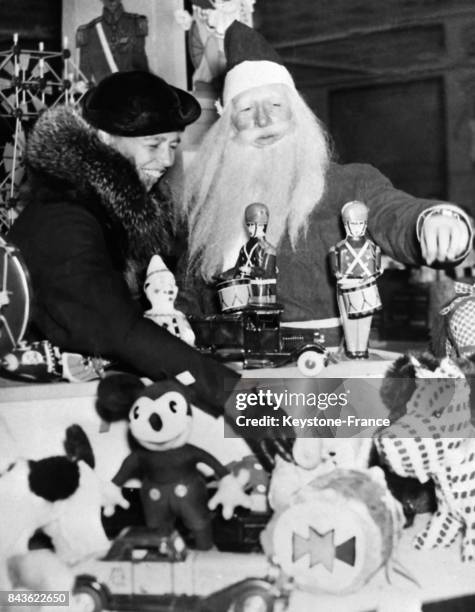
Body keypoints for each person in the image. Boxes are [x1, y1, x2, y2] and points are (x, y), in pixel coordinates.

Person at [178, 21, 473, 345]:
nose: (264, 120)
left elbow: (396, 214)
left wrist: (434, 220)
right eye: (247, 109)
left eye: (275, 105)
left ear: (297, 113)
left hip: (325, 367)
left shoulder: (349, 184)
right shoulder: (207, 207)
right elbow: (187, 297)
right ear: (228, 124)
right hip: (231, 368)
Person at [7, 71, 242, 416]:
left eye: (173, 144)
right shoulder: (63, 217)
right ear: (104, 139)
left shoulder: (103, 206)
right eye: (153, 144)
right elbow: (120, 329)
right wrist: (235, 396)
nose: (166, 160)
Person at [76, 0, 149, 84]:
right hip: (103, 95)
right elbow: (83, 79)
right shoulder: (88, 31)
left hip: (132, 94)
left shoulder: (136, 24)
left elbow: (143, 71)